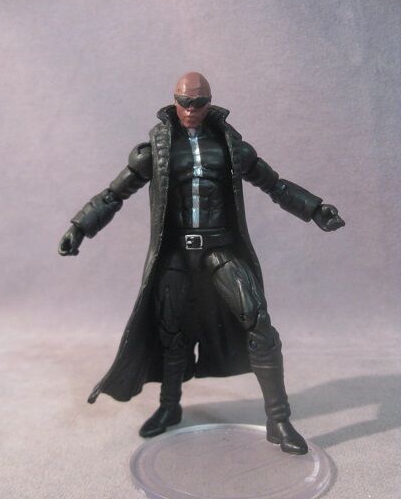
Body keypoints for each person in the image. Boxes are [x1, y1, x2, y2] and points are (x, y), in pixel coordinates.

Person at [59, 72, 344, 455]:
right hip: (176, 253)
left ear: (209, 103)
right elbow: (115, 194)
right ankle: (169, 407)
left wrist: (315, 210)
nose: (191, 109)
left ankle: (278, 420)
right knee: (170, 332)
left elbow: (274, 185)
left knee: (258, 322)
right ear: (173, 101)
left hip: (218, 248)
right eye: (184, 102)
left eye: (199, 102)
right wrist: (79, 227)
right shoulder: (156, 150)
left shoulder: (229, 147)